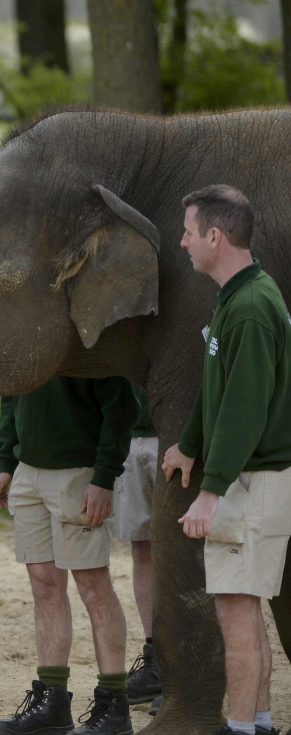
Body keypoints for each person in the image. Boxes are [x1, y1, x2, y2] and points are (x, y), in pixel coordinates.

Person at [163, 184, 290, 735]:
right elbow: (217, 388)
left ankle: (241, 728)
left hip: (250, 481)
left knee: (236, 618)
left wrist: (211, 492)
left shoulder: (254, 308)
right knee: (246, 611)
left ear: (215, 236)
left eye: (188, 232)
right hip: (244, 478)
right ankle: (258, 723)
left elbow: (244, 409)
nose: (183, 241)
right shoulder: (237, 296)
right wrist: (189, 443)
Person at [0, 375, 140, 735]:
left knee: (92, 584)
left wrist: (104, 476)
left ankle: (114, 705)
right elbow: (12, 393)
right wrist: (6, 461)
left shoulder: (90, 335)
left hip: (80, 473)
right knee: (43, 584)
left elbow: (122, 407)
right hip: (28, 473)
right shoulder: (23, 329)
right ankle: (52, 702)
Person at [115, 385, 162, 713]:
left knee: (187, 551)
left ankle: (189, 665)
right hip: (130, 431)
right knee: (141, 546)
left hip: (176, 430)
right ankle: (157, 661)